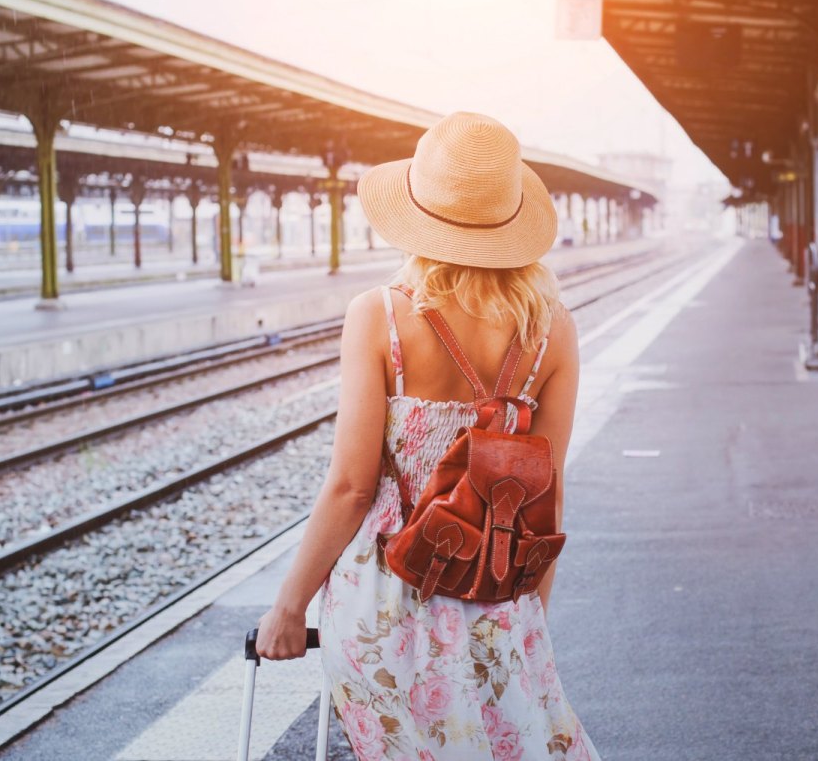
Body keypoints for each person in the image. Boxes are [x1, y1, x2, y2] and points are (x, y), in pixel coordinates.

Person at [255, 112, 599, 760]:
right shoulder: (554, 330)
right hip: (497, 597)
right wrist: (526, 620)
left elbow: (353, 487)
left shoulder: (379, 316)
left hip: (383, 606)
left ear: (418, 213)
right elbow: (542, 499)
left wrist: (288, 607)